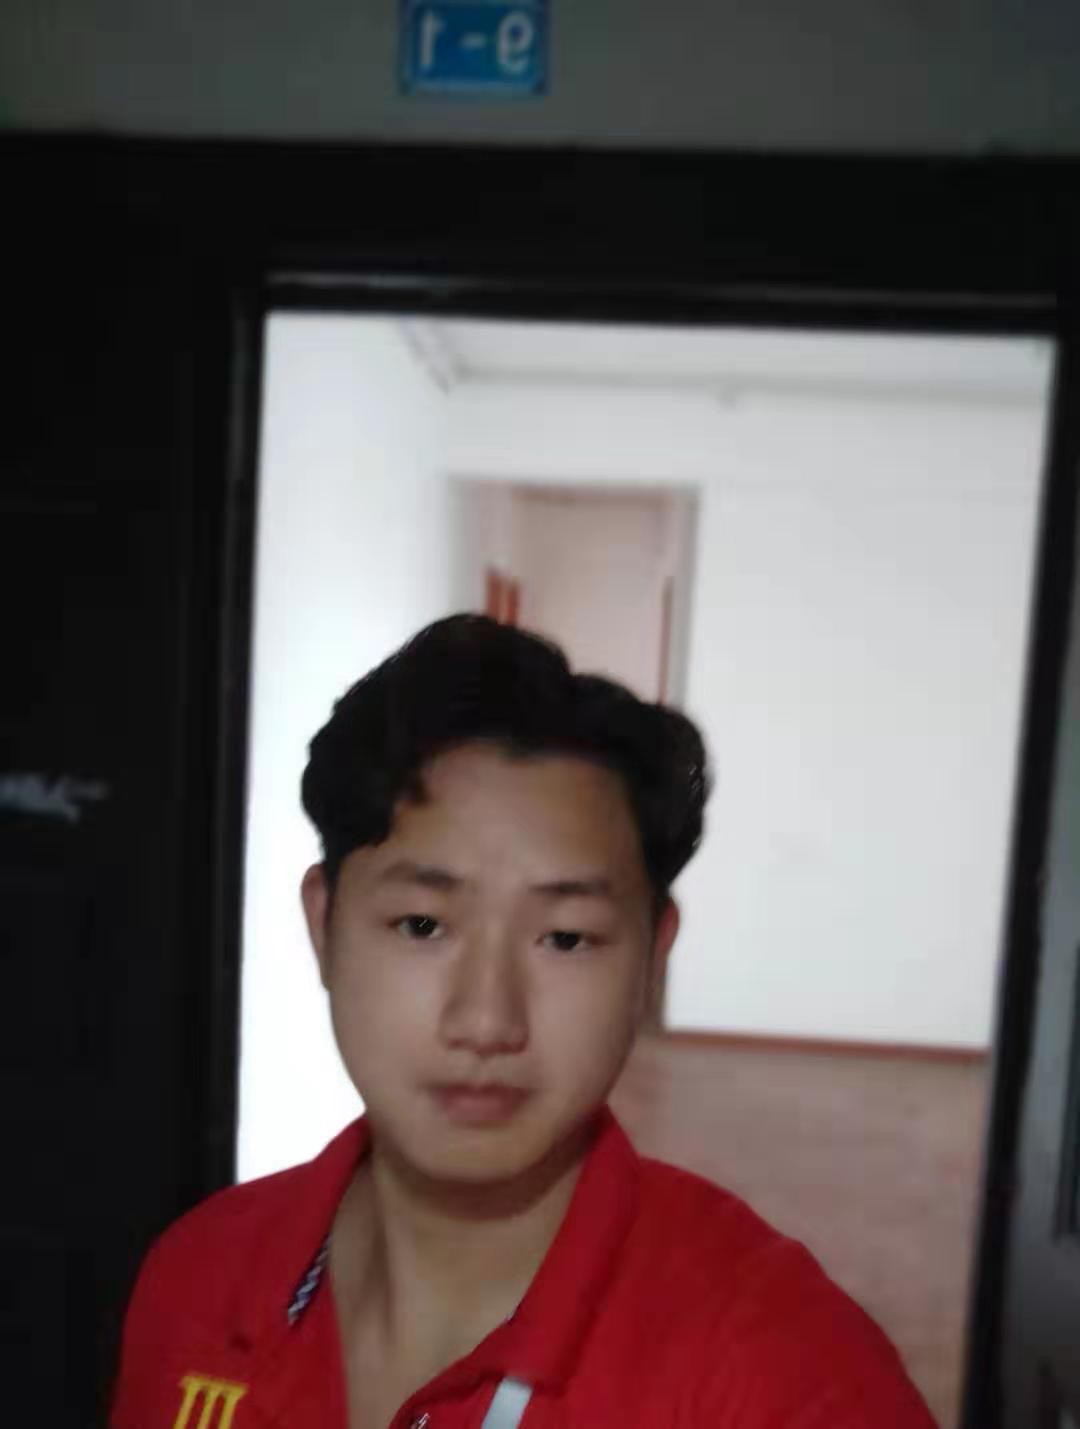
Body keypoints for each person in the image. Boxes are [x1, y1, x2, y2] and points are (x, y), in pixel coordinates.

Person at [111, 615, 936, 1429]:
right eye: (423, 925)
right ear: (324, 926)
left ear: (654, 956)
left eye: (565, 937)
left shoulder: (785, 1372)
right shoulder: (198, 1274)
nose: (486, 1020)